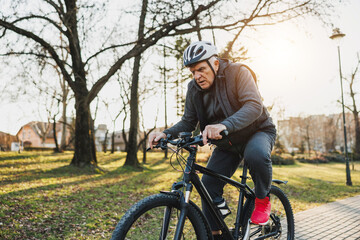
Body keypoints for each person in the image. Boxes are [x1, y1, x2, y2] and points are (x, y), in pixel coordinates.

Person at [148, 41, 276, 238]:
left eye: (201, 69)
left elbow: (253, 106)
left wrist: (224, 125)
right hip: (227, 143)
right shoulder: (194, 89)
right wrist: (165, 134)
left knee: (256, 154)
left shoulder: (239, 72)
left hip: (257, 131)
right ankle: (216, 235)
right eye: (193, 72)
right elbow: (188, 122)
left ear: (215, 63)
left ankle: (262, 199)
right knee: (208, 186)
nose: (197, 76)